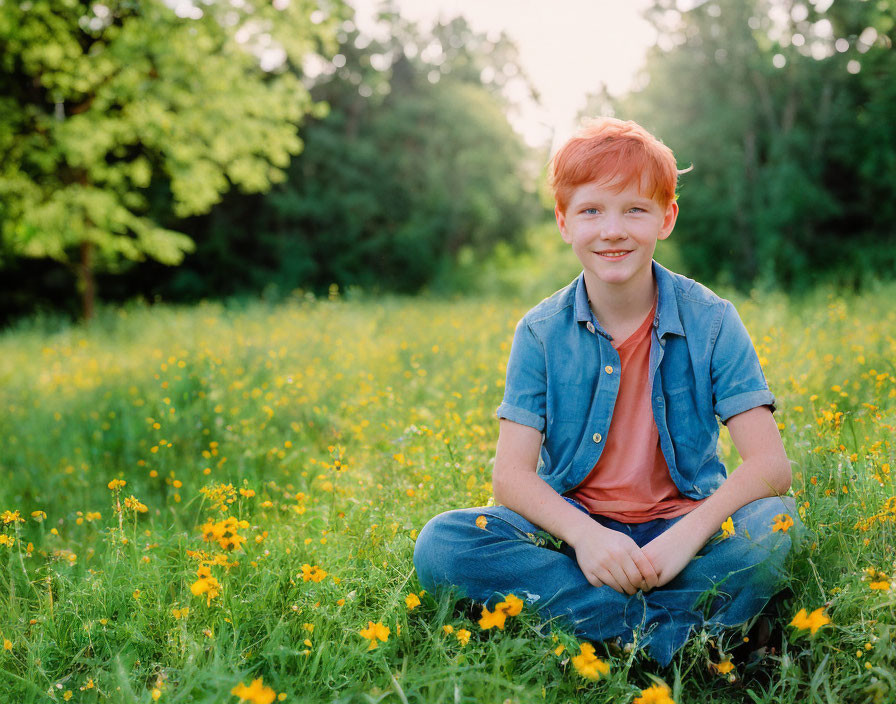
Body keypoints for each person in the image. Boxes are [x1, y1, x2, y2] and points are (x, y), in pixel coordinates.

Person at [412, 117, 802, 666]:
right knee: (443, 545)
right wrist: (589, 539)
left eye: (634, 210)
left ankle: (618, 633)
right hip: (577, 536)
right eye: (592, 210)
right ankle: (684, 636)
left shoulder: (713, 321)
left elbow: (769, 466)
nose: (612, 230)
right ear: (563, 221)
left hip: (684, 529)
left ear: (665, 218)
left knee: (777, 524)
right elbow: (511, 477)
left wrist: (682, 540)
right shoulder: (540, 331)